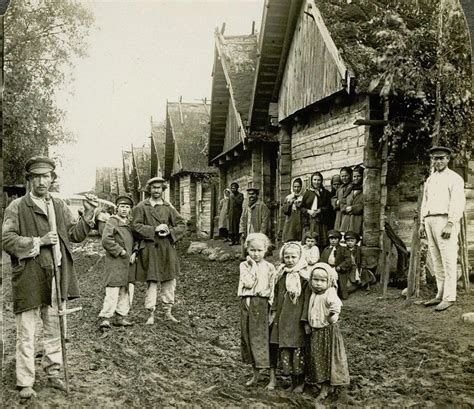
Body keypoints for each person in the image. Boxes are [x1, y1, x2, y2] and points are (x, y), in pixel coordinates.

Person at [2, 156, 98, 398]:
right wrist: (38, 241)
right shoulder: (17, 207)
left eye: (47, 176)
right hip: (28, 276)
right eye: (37, 177)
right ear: (30, 180)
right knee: (27, 331)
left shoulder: (58, 206)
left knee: (55, 328)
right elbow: (7, 240)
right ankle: (25, 381)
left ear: (52, 179)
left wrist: (87, 216)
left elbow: (75, 235)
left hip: (56, 276)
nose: (42, 181)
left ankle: (53, 372)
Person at [131, 176, 186, 324]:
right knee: (152, 281)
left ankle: (168, 312)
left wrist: (170, 232)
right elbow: (135, 227)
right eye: (153, 187)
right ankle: (151, 313)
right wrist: (154, 229)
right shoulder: (142, 207)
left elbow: (182, 225)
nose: (156, 190)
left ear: (163, 189)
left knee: (169, 280)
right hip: (150, 249)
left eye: (159, 187)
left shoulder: (168, 207)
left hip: (166, 249)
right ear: (149, 189)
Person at [419, 146, 466, 311]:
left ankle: (449, 297)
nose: (438, 161)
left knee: (448, 259)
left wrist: (451, 223)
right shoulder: (430, 179)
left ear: (448, 159)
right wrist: (422, 223)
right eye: (435, 158)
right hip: (430, 220)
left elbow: (458, 203)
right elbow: (425, 202)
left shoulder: (454, 178)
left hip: (445, 220)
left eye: (441, 158)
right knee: (436, 259)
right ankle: (440, 293)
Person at [302, 263, 350, 402]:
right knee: (317, 358)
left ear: (329, 281)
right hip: (316, 331)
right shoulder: (313, 293)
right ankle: (321, 383)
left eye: (322, 281)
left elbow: (336, 306)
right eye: (315, 280)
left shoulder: (329, 293)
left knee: (326, 358)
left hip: (327, 331)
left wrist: (332, 316)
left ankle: (326, 387)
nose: (318, 284)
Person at [238, 233, 278, 390]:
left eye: (259, 250)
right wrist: (253, 266)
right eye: (252, 250)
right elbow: (247, 283)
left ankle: (272, 377)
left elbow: (272, 290)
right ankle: (256, 373)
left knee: (264, 338)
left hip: (262, 304)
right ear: (247, 249)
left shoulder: (270, 268)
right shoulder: (244, 266)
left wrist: (271, 310)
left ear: (265, 250)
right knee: (248, 337)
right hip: (247, 302)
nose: (255, 254)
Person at [270, 241, 309, 393]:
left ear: (300, 257)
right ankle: (292, 381)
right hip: (283, 318)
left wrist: (305, 320)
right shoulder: (281, 275)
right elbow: (276, 295)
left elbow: (307, 300)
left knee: (298, 350)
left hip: (297, 319)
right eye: (287, 257)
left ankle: (300, 382)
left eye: (294, 257)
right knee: (286, 349)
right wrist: (273, 312)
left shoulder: (304, 277)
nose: (290, 260)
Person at [98, 195, 137, 329]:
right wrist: (121, 251)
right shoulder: (112, 222)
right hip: (115, 262)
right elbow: (106, 240)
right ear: (117, 208)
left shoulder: (130, 223)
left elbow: (137, 239)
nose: (125, 209)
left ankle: (120, 316)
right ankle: (106, 317)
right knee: (113, 289)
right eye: (122, 207)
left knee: (126, 289)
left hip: (129, 262)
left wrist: (134, 252)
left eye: (127, 207)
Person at [301, 172, 332, 251]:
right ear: (312, 181)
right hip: (310, 221)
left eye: (318, 180)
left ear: (321, 181)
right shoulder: (307, 193)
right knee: (310, 240)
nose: (316, 182)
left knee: (321, 241)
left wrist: (320, 210)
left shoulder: (325, 193)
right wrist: (308, 211)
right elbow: (302, 207)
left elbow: (329, 207)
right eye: (314, 180)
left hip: (322, 221)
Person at [320, 230, 352, 300]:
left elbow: (348, 260)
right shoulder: (326, 249)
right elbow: (322, 260)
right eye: (331, 239)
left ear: (339, 240)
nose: (333, 241)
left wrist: (340, 267)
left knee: (337, 281)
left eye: (335, 239)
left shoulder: (343, 249)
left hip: (338, 270)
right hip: (328, 268)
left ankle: (336, 294)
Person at [239, 187, 270, 258]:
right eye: (249, 194)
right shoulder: (246, 205)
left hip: (256, 229)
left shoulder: (262, 205)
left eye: (253, 194)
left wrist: (261, 234)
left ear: (257, 195)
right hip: (247, 228)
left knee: (256, 245)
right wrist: (242, 230)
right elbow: (242, 218)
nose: (251, 196)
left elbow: (265, 221)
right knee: (247, 244)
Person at [341, 166, 364, 235]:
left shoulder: (365, 189)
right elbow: (342, 202)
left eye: (358, 176)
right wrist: (345, 208)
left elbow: (365, 204)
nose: (356, 178)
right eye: (354, 176)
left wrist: (352, 208)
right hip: (346, 221)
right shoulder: (349, 189)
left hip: (357, 220)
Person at [282, 178, 305, 243]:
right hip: (290, 225)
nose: (296, 189)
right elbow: (285, 211)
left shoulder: (304, 198)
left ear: (302, 187)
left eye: (298, 187)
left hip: (300, 224)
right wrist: (290, 203)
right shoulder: (288, 198)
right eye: (295, 187)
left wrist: (300, 205)